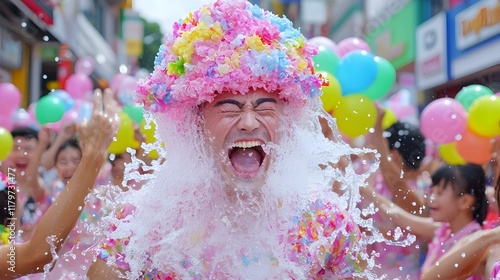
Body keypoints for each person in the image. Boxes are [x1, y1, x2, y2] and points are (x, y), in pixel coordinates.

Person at [86, 1, 389, 278]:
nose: (248, 122)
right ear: (196, 121)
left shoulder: (325, 225)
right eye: (229, 107)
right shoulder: (147, 221)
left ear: (285, 120)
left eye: (264, 107)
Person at [0, 89, 120, 279]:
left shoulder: (101, 195)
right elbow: (37, 255)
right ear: (54, 167)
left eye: (75, 161)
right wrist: (94, 153)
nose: (69, 167)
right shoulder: (50, 192)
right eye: (63, 162)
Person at [362, 163, 489, 279]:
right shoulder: (443, 230)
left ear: (464, 201)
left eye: (439, 193)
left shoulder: (477, 241)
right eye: (431, 192)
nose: (430, 199)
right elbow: (397, 214)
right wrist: (360, 186)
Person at [361, 107, 430, 278]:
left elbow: (391, 175)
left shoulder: (416, 192)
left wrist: (377, 126)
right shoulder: (379, 180)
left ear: (396, 156)